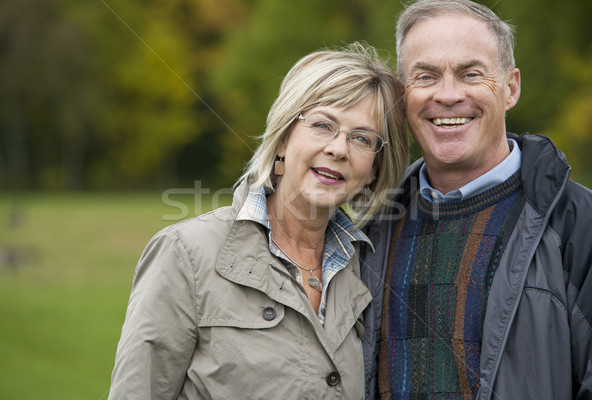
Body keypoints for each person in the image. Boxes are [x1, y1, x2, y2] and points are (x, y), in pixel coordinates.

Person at [108, 42, 410, 399]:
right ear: (282, 139)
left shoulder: (372, 264)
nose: (338, 149)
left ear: (375, 169)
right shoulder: (185, 254)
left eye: (361, 138)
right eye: (322, 124)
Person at [360, 1, 592, 399]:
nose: (449, 95)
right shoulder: (369, 230)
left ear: (511, 88)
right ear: (404, 96)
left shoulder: (584, 227)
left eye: (471, 73)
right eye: (426, 76)